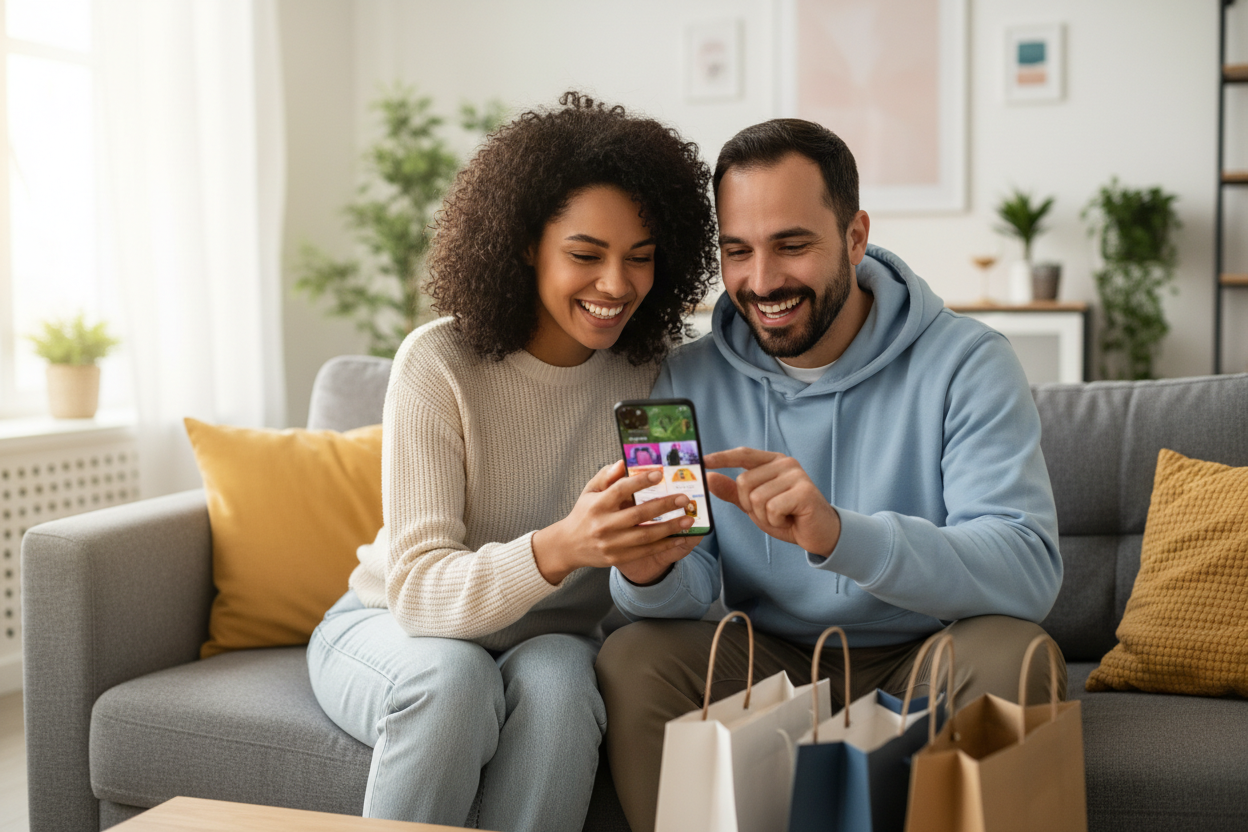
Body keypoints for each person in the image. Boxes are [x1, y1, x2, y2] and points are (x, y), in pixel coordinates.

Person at [594, 119, 1065, 832]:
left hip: (927, 653)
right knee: (634, 657)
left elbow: (1027, 569)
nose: (762, 281)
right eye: (738, 251)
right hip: (763, 661)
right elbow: (688, 593)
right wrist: (651, 573)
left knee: (1015, 654)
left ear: (853, 237)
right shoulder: (683, 381)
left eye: (792, 244)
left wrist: (843, 535)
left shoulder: (971, 363)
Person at [306, 92, 718, 832]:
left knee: (563, 685)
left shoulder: (658, 374)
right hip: (396, 627)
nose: (617, 285)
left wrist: (654, 561)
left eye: (642, 258)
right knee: (454, 681)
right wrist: (564, 547)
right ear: (527, 242)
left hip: (552, 641)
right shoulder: (439, 362)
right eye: (586, 255)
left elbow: (681, 587)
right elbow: (421, 593)